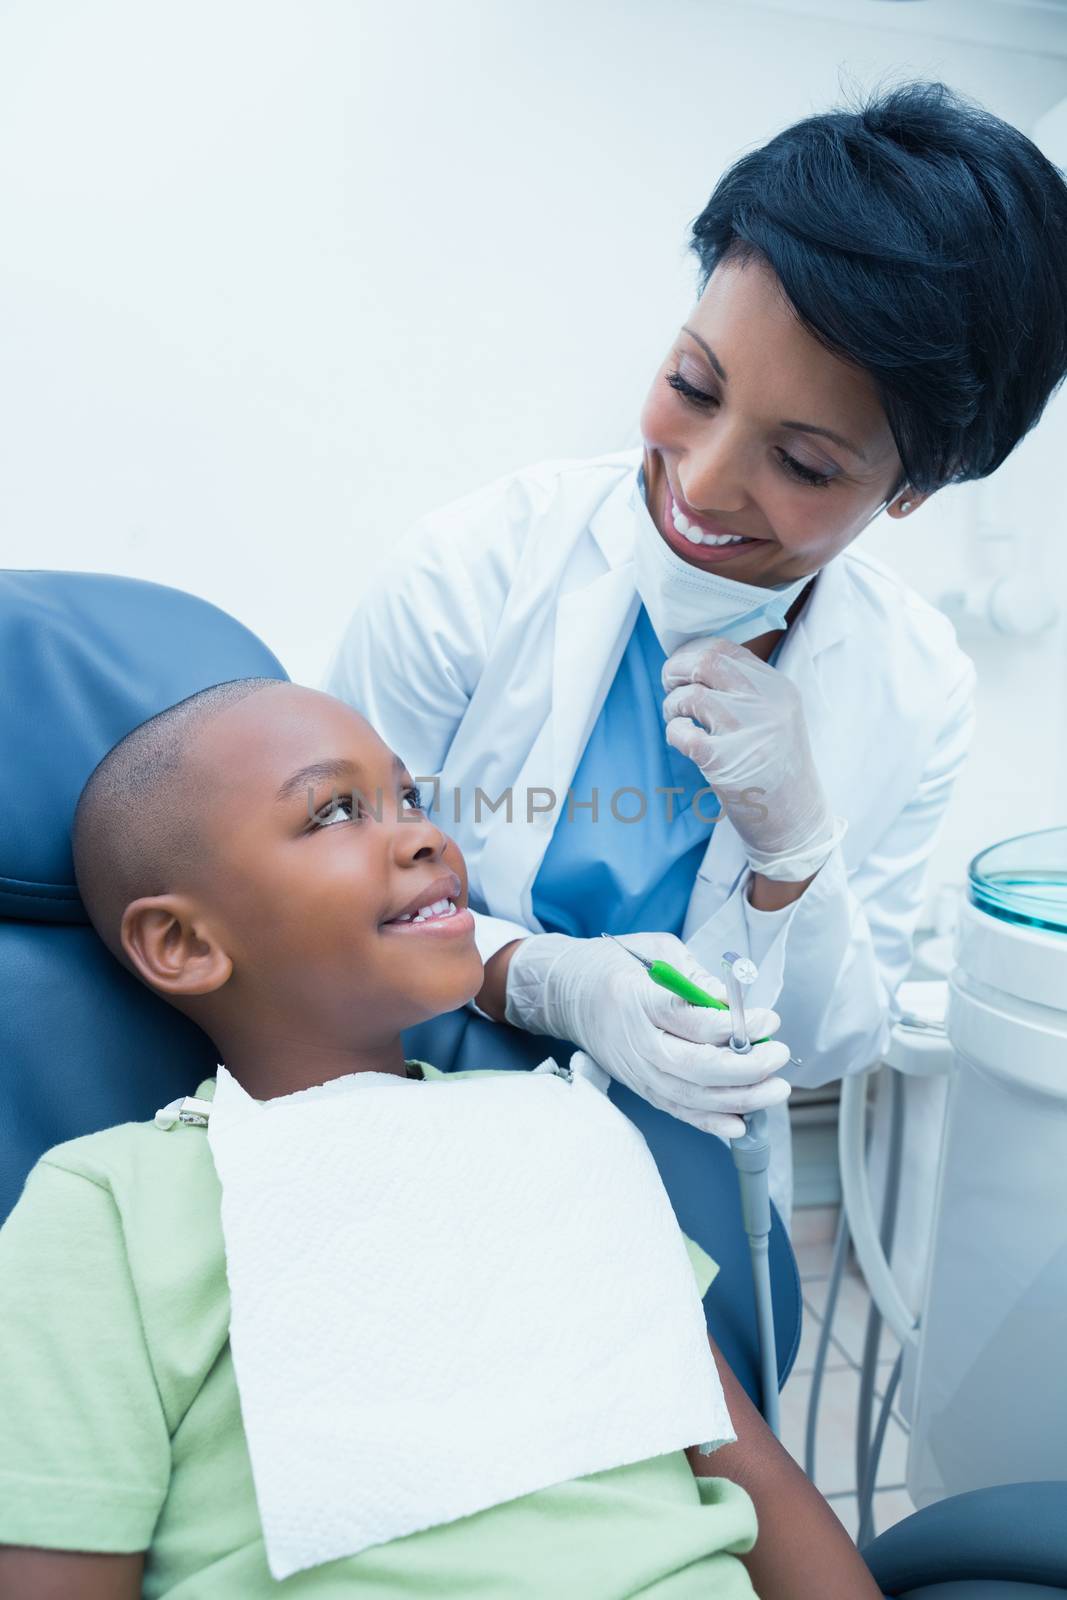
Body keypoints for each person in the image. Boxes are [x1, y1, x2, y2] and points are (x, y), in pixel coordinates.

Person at [325, 81, 1067, 1218]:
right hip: (406, 1084)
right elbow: (322, 901)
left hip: (677, 1156)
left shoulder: (915, 688)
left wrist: (794, 854)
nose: (705, 481)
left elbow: (822, 1046)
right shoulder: (473, 570)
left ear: (911, 492)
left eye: (805, 463)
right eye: (692, 385)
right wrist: (545, 980)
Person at [0, 678, 881, 1600]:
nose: (425, 834)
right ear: (182, 942)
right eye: (335, 811)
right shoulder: (112, 1204)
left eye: (411, 797)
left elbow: (752, 1476)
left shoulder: (560, 1131)